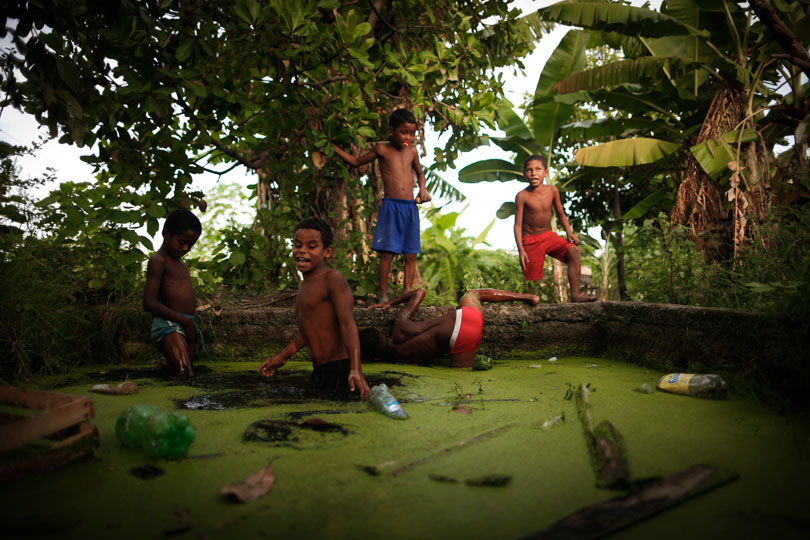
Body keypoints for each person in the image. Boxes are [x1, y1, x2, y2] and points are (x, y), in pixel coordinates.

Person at [258, 217, 371, 397]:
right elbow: (309, 330)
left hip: (341, 368)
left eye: (311, 247)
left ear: (327, 252)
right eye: (297, 245)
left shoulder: (332, 279)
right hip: (319, 369)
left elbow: (348, 325)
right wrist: (283, 356)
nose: (302, 251)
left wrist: (355, 369)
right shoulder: (303, 287)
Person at [331, 108, 432, 303]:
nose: (408, 137)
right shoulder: (382, 150)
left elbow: (420, 174)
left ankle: (406, 294)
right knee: (388, 254)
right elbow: (355, 162)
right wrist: (332, 147)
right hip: (391, 208)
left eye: (411, 133)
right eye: (404, 132)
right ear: (391, 130)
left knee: (410, 255)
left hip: (410, 208)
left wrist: (422, 190)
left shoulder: (412, 151)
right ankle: (383, 296)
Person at [359, 288, 539, 369]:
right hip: (466, 316)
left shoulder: (403, 360)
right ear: (382, 332)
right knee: (473, 294)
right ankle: (527, 296)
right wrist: (391, 302)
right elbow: (420, 292)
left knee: (461, 379)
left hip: (461, 338)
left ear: (375, 357)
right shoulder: (400, 323)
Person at [514, 154, 595, 302]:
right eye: (529, 170)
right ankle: (525, 311)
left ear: (546, 172)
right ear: (524, 174)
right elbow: (517, 225)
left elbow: (561, 214)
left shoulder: (552, 190)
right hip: (530, 241)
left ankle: (576, 296)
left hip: (548, 236)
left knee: (574, 251)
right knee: (531, 283)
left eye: (538, 169)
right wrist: (521, 249)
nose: (534, 173)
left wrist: (569, 233)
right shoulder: (522, 196)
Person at [143, 208, 202, 380]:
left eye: (190, 245)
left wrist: (188, 322)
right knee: (185, 373)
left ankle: (166, 369)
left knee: (184, 373)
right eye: (182, 242)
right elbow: (149, 302)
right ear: (166, 234)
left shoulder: (178, 262)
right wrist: (184, 321)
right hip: (171, 324)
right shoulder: (158, 261)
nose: (186, 248)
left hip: (186, 324)